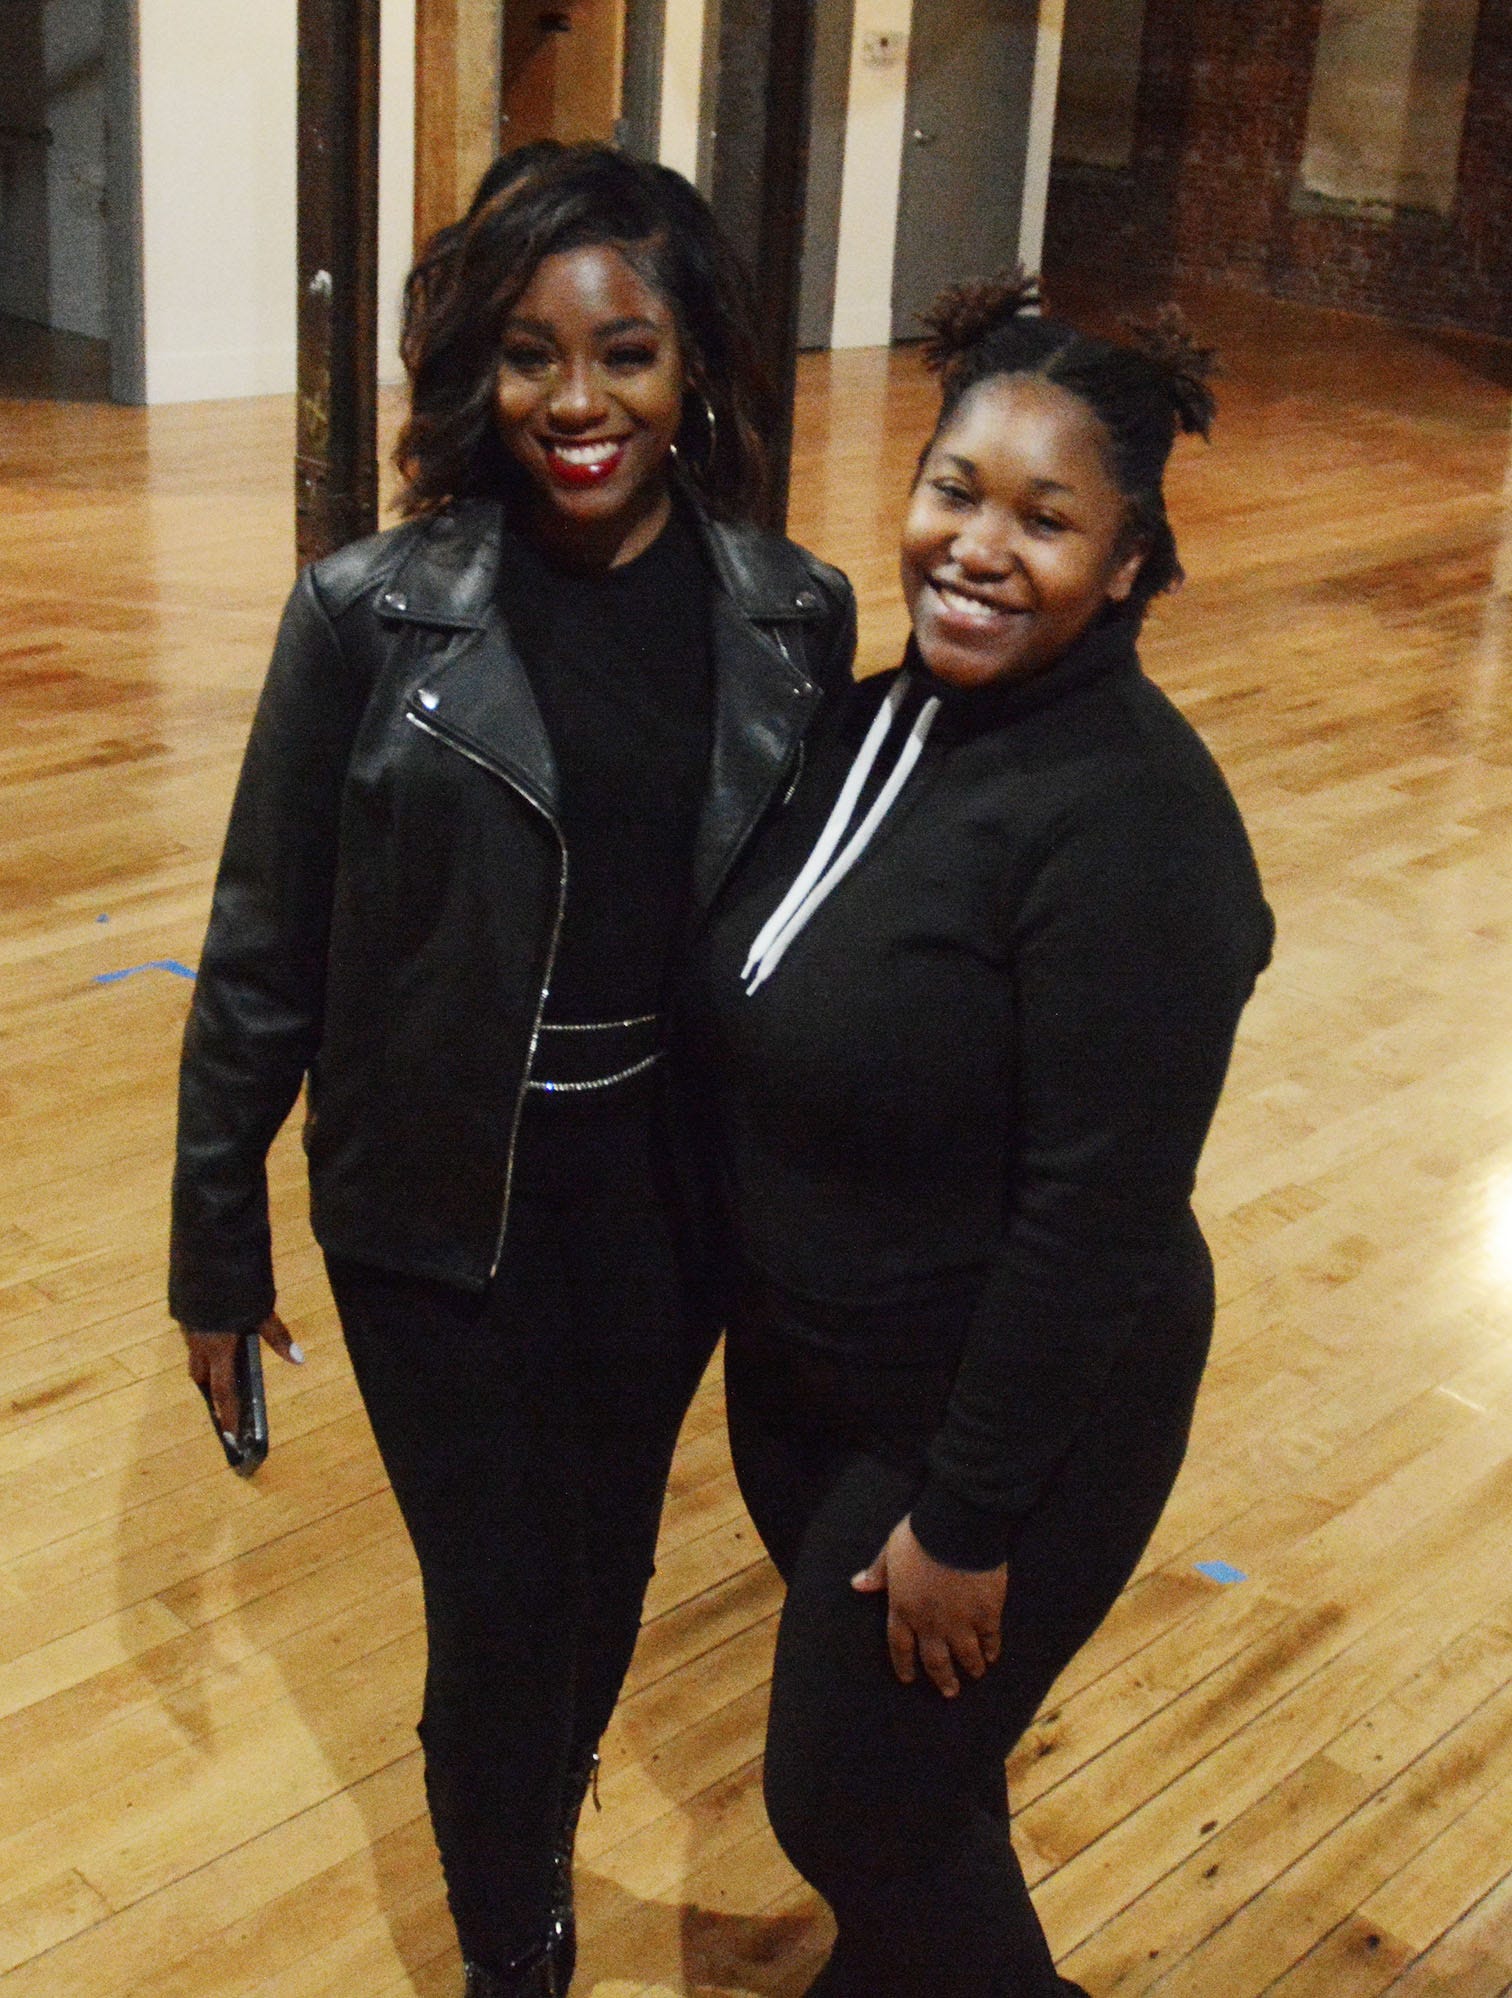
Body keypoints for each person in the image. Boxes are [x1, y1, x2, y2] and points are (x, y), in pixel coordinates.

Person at [169, 142, 855, 1998]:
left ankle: (521, 1843)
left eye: (623, 353)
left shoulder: (795, 618)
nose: (576, 402)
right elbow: (260, 944)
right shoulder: (371, 615)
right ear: (475, 370)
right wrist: (213, 1243)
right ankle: (516, 1956)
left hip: (664, 1203)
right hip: (429, 1201)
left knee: (609, 1570)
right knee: (500, 1600)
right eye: (531, 356)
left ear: (693, 364)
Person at [680, 275, 1274, 1995]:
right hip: (823, 1373)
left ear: (1135, 565)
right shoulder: (876, 721)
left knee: (846, 1796)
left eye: (1046, 517)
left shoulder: (1142, 832)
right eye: (956, 489)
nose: (976, 546)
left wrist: (972, 1515)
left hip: (1006, 1415)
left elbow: (1094, 1221)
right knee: (916, 1790)